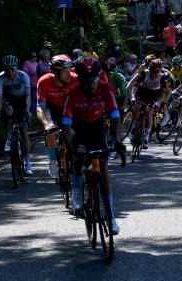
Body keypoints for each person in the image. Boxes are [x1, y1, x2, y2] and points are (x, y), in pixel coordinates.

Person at [62, 58, 125, 234]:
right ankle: (76, 196)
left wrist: (118, 141)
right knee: (79, 158)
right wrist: (71, 147)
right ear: (79, 79)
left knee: (103, 167)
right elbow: (66, 124)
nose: (91, 85)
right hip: (78, 128)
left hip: (97, 126)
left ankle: (111, 216)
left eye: (94, 80)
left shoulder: (106, 88)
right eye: (87, 81)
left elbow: (115, 117)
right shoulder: (71, 92)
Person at [36, 54, 76, 178]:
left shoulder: (75, 79)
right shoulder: (44, 81)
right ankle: (53, 160)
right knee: (51, 131)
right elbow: (40, 107)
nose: (69, 73)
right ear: (56, 72)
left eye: (70, 70)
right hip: (52, 109)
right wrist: (47, 124)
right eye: (65, 71)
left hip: (70, 108)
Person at [0, 55, 33, 175]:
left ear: (16, 68)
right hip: (9, 99)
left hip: (22, 99)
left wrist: (27, 110)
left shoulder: (23, 76)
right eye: (7, 69)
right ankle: (9, 137)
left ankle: (27, 162)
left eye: (12, 69)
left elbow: (28, 96)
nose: (9, 71)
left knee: (24, 131)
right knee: (9, 111)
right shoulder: (0, 78)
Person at [129, 59, 171, 148]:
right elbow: (135, 87)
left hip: (154, 94)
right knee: (137, 107)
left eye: (158, 71)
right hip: (142, 91)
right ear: (150, 70)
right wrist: (133, 96)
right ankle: (133, 127)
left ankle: (146, 136)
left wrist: (158, 103)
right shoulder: (144, 73)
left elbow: (163, 94)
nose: (156, 74)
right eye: (154, 71)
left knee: (149, 112)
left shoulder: (162, 77)